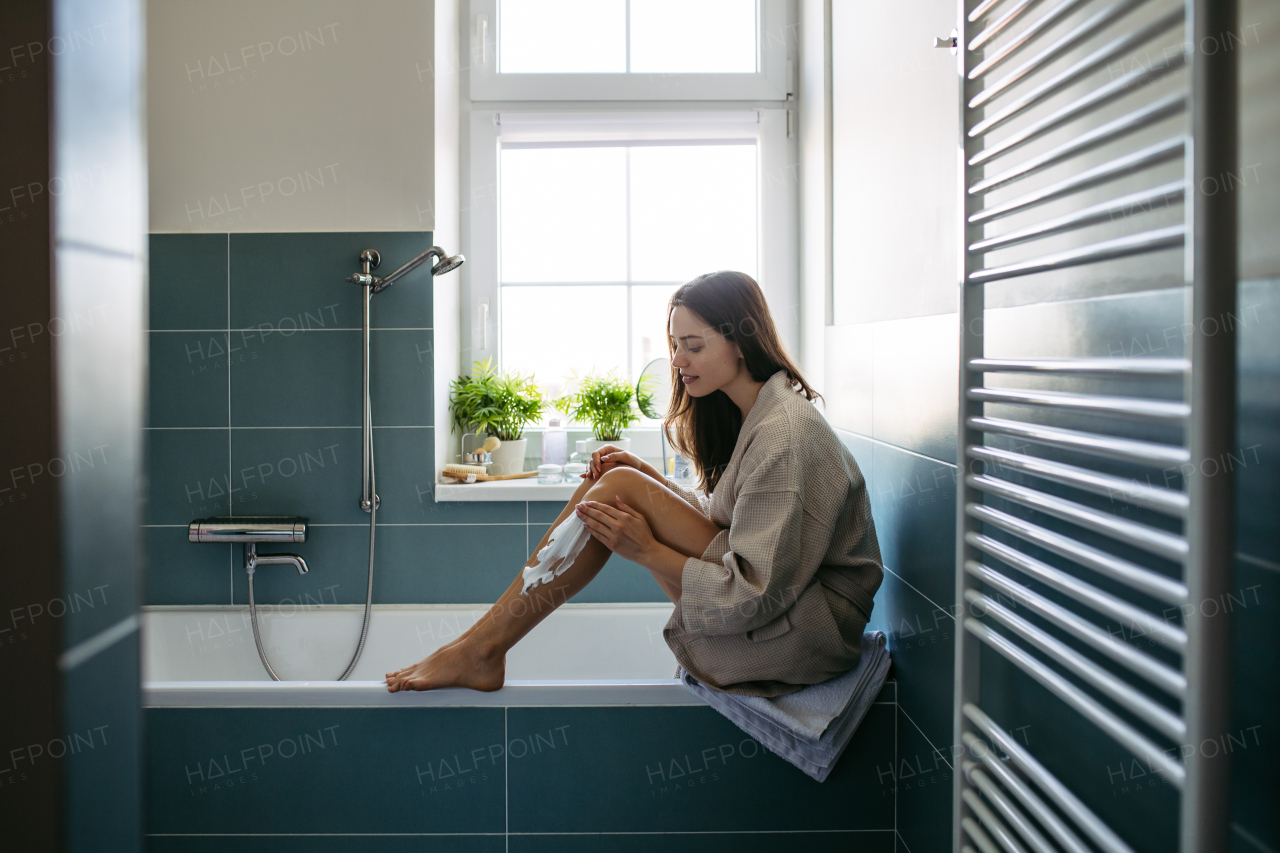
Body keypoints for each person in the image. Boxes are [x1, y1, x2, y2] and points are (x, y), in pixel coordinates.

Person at [386, 270, 883, 697]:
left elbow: (756, 592)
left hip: (810, 629)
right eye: (674, 347)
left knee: (618, 484)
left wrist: (646, 551)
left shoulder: (785, 436)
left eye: (693, 346)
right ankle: (475, 648)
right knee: (619, 480)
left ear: (740, 341)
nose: (678, 361)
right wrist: (649, 479)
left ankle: (480, 650)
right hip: (791, 603)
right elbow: (732, 522)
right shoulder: (758, 416)